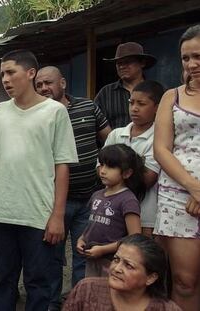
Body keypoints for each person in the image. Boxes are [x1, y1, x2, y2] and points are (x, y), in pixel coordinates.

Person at [0, 49, 78, 311]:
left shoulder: (54, 112)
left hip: (38, 215)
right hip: (2, 213)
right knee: (4, 282)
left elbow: (62, 166)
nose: (6, 80)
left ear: (31, 72)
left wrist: (57, 216)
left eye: (11, 72)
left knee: (39, 285)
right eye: (2, 74)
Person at [35, 65, 111, 310]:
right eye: (39, 85)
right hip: (54, 199)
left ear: (63, 83)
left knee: (83, 254)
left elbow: (108, 138)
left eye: (49, 83)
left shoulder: (88, 107)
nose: (44, 88)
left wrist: (105, 170)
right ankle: (52, 303)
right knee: (52, 255)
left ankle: (79, 302)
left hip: (89, 197)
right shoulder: (37, 114)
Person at [153, 24, 200, 311]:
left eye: (199, 56)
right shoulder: (172, 96)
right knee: (184, 280)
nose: (192, 64)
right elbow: (161, 149)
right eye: (186, 58)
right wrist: (194, 187)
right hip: (177, 196)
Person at [103, 80, 164, 237]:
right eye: (131, 103)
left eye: (141, 104)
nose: (134, 108)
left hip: (145, 214)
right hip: (112, 212)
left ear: (157, 107)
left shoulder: (159, 138)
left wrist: (114, 173)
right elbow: (100, 168)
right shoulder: (116, 134)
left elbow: (147, 179)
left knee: (140, 255)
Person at [63, 234, 182, 311]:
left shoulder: (167, 309)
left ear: (150, 278)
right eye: (116, 259)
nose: (116, 268)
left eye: (128, 266)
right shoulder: (87, 289)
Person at [76, 144, 144, 277]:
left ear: (127, 173)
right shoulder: (97, 194)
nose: (102, 171)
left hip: (114, 262)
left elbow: (135, 237)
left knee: (109, 294)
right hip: (92, 257)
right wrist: (82, 239)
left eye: (110, 166)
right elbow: (92, 223)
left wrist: (104, 249)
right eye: (101, 164)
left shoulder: (128, 200)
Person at [94, 42, 157, 129]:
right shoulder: (106, 93)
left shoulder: (155, 90)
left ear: (142, 63)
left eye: (127, 62)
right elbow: (96, 124)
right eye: (119, 63)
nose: (122, 67)